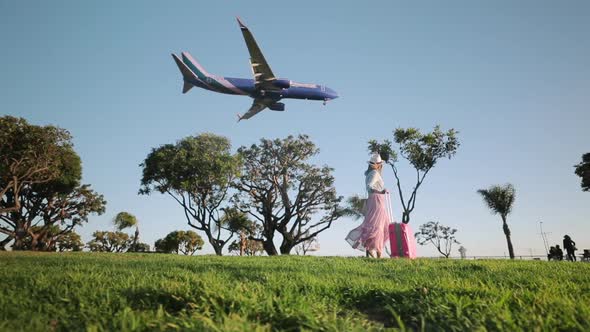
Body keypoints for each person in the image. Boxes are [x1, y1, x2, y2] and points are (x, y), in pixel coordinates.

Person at [345, 154, 390, 258]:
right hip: (376, 200)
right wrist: (381, 191)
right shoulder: (374, 173)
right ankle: (376, 253)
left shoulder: (371, 173)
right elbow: (369, 187)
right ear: (378, 165)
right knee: (378, 226)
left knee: (378, 225)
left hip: (376, 200)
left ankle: (375, 253)